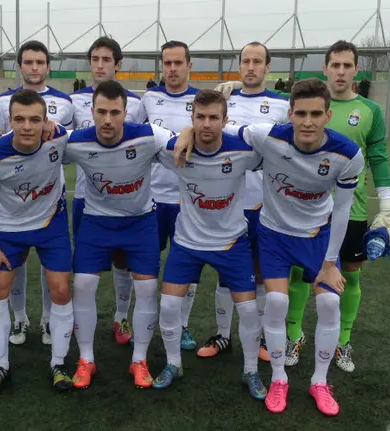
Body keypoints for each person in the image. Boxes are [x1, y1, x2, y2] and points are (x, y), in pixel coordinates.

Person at [173, 78, 365, 416]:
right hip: (274, 234)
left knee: (330, 306)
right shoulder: (267, 136)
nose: (308, 121)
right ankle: (279, 379)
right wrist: (187, 133)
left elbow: (343, 208)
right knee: (275, 301)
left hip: (316, 237)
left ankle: (320, 381)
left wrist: (331, 262)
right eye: (301, 113)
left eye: (316, 114)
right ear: (289, 114)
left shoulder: (347, 154)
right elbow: (223, 128)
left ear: (327, 115)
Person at [284, 41, 390, 374]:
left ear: (355, 70)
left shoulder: (370, 111)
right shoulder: (306, 103)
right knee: (299, 273)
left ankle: (342, 339)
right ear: (325, 68)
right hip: (304, 209)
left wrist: (388, 204)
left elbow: (378, 159)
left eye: (346, 66)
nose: (340, 71)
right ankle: (294, 334)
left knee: (348, 275)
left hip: (352, 210)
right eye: (334, 65)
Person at [151, 89, 266, 401]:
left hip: (231, 242)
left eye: (214, 117)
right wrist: (182, 134)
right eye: (199, 117)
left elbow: (280, 152)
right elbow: (147, 135)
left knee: (249, 308)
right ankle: (174, 364)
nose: (206, 124)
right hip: (187, 242)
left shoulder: (244, 151)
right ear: (191, 119)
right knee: (170, 304)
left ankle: (251, 370)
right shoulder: (176, 150)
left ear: (225, 120)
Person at [64, 80, 174, 389]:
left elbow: (179, 140)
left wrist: (190, 132)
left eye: (115, 112)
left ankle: (139, 359)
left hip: (140, 223)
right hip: (97, 222)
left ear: (127, 112)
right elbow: (30, 143)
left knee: (149, 289)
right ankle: (86, 359)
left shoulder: (148, 136)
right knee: (83, 284)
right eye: (102, 112)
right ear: (92, 112)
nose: (108, 120)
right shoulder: (76, 141)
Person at [0, 90, 75, 393]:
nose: (28, 126)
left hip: (51, 225)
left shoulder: (59, 140)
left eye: (35, 119)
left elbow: (88, 139)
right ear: (9, 121)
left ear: (46, 121)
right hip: (9, 229)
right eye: (20, 119)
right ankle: (0, 365)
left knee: (61, 289)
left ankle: (58, 362)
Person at [203, 41, 289, 362]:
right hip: (229, 202)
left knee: (263, 273)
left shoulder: (282, 104)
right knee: (227, 272)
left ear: (267, 67)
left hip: (266, 204)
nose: (251, 67)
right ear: (239, 66)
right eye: (245, 61)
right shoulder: (225, 100)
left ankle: (265, 337)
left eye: (257, 62)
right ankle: (223, 335)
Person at [0, 40, 74, 347]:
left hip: (50, 201)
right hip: (14, 199)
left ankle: (48, 319)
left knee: (51, 267)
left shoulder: (65, 101)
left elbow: (69, 145)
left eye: (40, 62)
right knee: (17, 263)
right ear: (20, 66)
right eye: (28, 62)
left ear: (48, 67)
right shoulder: (1, 102)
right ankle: (20, 317)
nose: (34, 67)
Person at [70, 36, 147, 346]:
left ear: (118, 65)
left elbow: (140, 143)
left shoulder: (137, 104)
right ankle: (79, 320)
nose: (99, 65)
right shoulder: (73, 101)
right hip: (85, 198)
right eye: (95, 59)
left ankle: (121, 316)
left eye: (106, 59)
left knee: (123, 261)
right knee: (85, 268)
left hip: (127, 200)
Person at [141, 40, 199, 351]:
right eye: (167, 63)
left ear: (190, 65)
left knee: (186, 268)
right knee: (147, 266)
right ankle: (145, 322)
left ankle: (183, 324)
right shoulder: (148, 99)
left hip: (187, 200)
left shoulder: (201, 101)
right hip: (150, 199)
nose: (172, 69)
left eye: (178, 62)